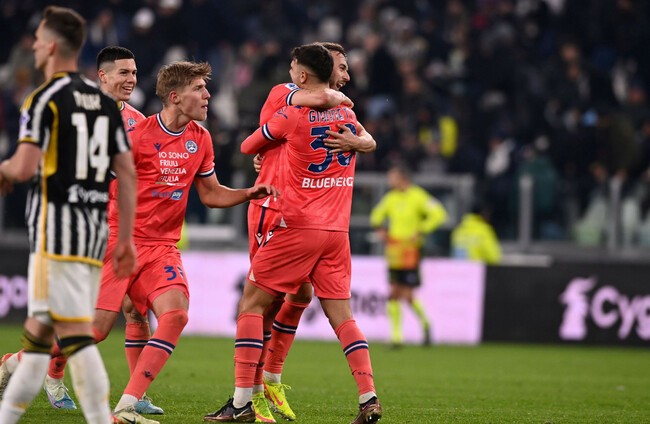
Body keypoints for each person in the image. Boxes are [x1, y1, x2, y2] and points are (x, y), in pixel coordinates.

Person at [204, 43, 381, 424]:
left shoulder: (295, 114)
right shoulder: (341, 112)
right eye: (342, 68)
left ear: (303, 72)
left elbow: (248, 144)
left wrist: (270, 144)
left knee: (256, 304)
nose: (347, 75)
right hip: (329, 227)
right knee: (338, 316)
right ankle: (367, 397)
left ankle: (247, 397)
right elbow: (347, 117)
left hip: (293, 221)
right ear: (326, 71)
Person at [109, 60, 278, 424]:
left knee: (176, 315)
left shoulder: (200, 138)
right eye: (199, 89)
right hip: (122, 240)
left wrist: (249, 193)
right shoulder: (137, 136)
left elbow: (211, 194)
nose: (207, 95)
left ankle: (125, 407)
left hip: (161, 247)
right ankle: (17, 365)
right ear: (175, 96)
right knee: (95, 329)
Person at [0, 45, 164, 415]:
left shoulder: (138, 121)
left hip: (122, 228)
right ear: (102, 75)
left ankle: (136, 395)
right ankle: (45, 372)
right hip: (81, 224)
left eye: (134, 73)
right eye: (124, 72)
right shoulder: (78, 111)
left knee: (134, 310)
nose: (132, 79)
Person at [252, 42, 376, 422]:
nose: (347, 76)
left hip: (306, 218)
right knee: (264, 303)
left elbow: (369, 139)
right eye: (342, 67)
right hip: (272, 208)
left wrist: (357, 140)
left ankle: (270, 379)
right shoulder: (285, 94)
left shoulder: (337, 111)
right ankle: (250, 393)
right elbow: (263, 137)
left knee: (300, 294)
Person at [370, 164, 447, 347]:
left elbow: (439, 214)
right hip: (394, 251)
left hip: (411, 251)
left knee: (405, 295)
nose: (390, 181)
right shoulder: (391, 198)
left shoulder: (418, 196)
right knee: (396, 293)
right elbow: (376, 216)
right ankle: (399, 336)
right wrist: (380, 230)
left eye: (392, 177)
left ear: (403, 178)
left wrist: (421, 230)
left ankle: (417, 327)